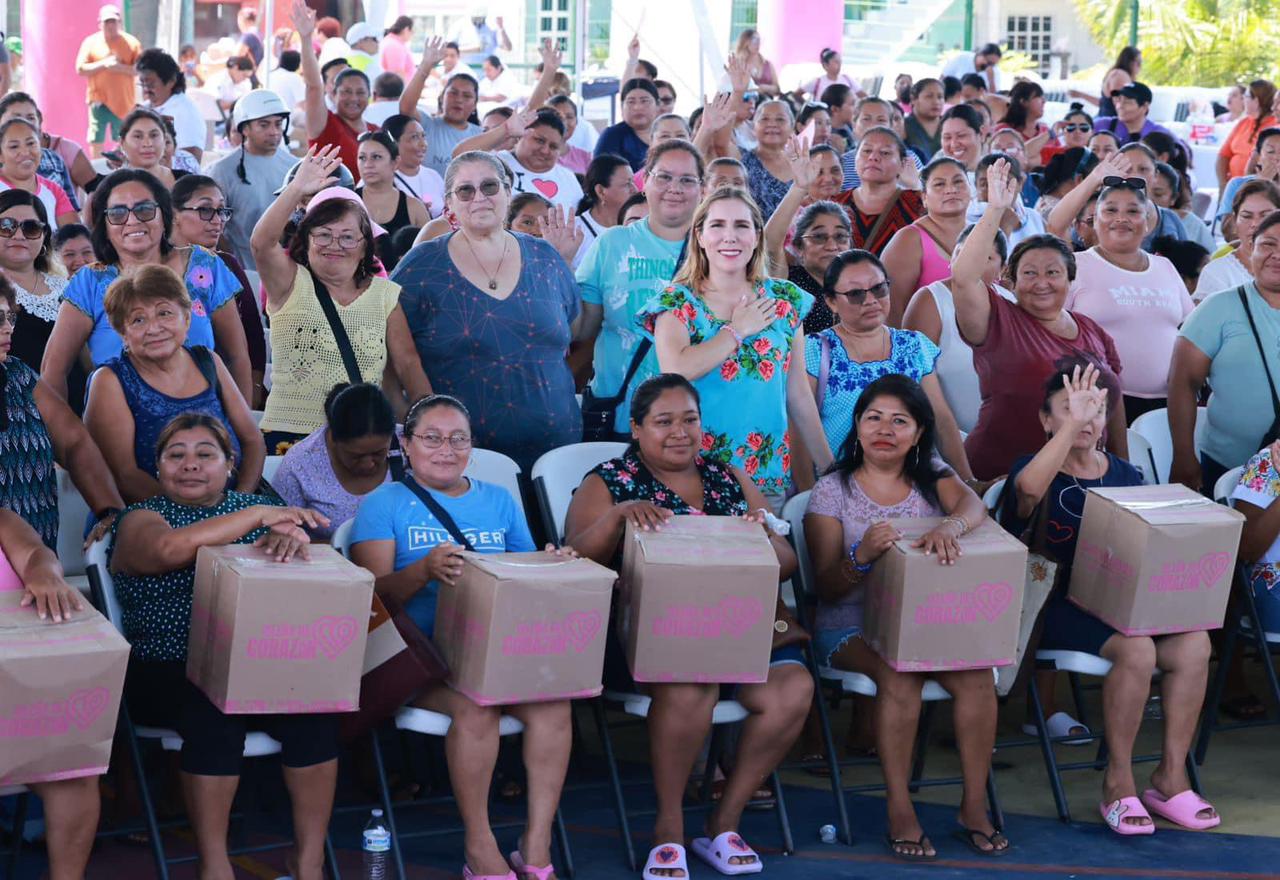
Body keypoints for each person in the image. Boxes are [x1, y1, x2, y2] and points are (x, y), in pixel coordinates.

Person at [565, 373, 811, 878]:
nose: (679, 432)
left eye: (689, 419)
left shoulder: (728, 476)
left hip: (740, 625)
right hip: (653, 633)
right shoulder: (608, 480)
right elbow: (574, 561)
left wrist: (757, 537)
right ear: (635, 428)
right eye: (663, 421)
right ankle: (670, 826)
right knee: (692, 684)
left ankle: (725, 819)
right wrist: (616, 519)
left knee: (794, 687)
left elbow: (785, 562)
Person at [109, 414, 338, 880]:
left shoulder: (260, 515)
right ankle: (214, 864)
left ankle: (309, 861)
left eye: (205, 454)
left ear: (230, 464)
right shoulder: (141, 518)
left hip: (256, 661)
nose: (190, 464)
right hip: (167, 666)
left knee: (315, 709)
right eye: (176, 455)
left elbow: (304, 568)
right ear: (158, 467)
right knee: (214, 708)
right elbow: (165, 551)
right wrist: (257, 516)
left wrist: (288, 539)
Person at [350, 393, 569, 880]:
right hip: (424, 657)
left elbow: (526, 574)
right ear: (406, 445)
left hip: (497, 650)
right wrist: (424, 572)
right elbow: (372, 600)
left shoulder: (498, 499)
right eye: (431, 438)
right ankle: (480, 842)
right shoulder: (383, 503)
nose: (445, 449)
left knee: (556, 702)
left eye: (458, 439)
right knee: (477, 705)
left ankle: (537, 841)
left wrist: (554, 564)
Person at [1001, 360, 1219, 837]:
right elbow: (1026, 495)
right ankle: (1118, 780)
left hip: (1124, 605)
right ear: (1046, 419)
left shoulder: (1126, 473)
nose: (1087, 419)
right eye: (1072, 408)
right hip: (1054, 607)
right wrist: (1072, 429)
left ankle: (1169, 775)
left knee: (1194, 642)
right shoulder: (1032, 467)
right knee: (1137, 647)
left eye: (1097, 409)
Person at [806, 373, 1002, 861]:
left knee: (978, 675)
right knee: (899, 672)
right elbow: (825, 589)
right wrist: (862, 555)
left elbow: (974, 505)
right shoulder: (832, 491)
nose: (884, 429)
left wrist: (951, 525)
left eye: (899, 420)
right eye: (873, 418)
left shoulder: (931, 475)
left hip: (926, 621)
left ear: (918, 433)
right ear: (856, 425)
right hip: (851, 623)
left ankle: (973, 806)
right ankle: (899, 808)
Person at [638, 187, 832, 503]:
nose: (730, 236)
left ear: (757, 236)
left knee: (771, 552)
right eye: (717, 225)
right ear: (699, 236)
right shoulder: (676, 301)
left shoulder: (785, 300)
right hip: (692, 474)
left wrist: (830, 469)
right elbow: (676, 369)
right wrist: (736, 331)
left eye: (741, 226)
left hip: (766, 474)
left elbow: (798, 394)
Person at [391, 151, 582, 470]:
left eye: (490, 187)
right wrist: (420, 427)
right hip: (463, 463)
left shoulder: (547, 257)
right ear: (449, 203)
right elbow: (389, 360)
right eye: (465, 190)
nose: (479, 197)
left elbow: (574, 333)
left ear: (508, 193)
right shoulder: (421, 266)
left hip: (558, 457)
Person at [952, 159, 1126, 480]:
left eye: (1053, 273)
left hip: (1081, 482)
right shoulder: (998, 319)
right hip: (1002, 476)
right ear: (1010, 282)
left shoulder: (1092, 331)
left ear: (1069, 279)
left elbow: (1113, 406)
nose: (1042, 282)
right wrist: (995, 211)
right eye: (1029, 273)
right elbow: (963, 277)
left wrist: (1120, 471)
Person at [251, 147, 431, 451]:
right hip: (290, 437)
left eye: (348, 237)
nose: (335, 245)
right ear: (305, 239)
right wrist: (297, 188)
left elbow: (407, 366)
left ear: (364, 246)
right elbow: (260, 243)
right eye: (323, 234)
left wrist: (428, 423)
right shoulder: (290, 282)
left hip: (361, 439)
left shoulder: (384, 295)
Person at [43, 170, 253, 404]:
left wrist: (238, 429)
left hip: (202, 429)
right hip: (113, 430)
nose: (133, 220)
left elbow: (238, 357)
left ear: (164, 215)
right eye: (118, 213)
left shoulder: (205, 267)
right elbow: (53, 370)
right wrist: (68, 438)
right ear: (104, 224)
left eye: (144, 210)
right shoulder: (89, 282)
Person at [84, 265, 264, 504]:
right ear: (123, 333)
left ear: (186, 319)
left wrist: (238, 503)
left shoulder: (208, 361)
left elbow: (253, 441)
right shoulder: (110, 380)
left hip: (237, 504)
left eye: (165, 313)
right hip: (153, 518)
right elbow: (123, 475)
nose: (154, 328)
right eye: (138, 319)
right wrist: (203, 516)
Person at [806, 248, 973, 481]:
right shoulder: (814, 350)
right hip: (838, 486)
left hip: (911, 486)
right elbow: (799, 428)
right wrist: (811, 495)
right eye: (855, 293)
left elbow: (941, 420)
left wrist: (968, 482)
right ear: (832, 302)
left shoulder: (913, 346)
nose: (871, 300)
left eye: (879, 288)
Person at [0, 508, 101, 879]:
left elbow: (35, 552)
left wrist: (44, 573)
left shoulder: (2, 520)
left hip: (14, 696)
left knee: (74, 767)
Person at [576, 141, 701, 440]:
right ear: (645, 183)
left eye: (687, 179)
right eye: (664, 177)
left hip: (691, 422)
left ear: (702, 189)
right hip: (619, 412)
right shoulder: (611, 243)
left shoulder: (716, 248)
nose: (675, 188)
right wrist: (557, 265)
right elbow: (581, 329)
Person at [0, 276, 124, 549]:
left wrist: (110, 511)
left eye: (11, 316)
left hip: (40, 573)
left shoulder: (20, 377)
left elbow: (74, 443)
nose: (9, 328)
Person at [1061, 178, 1193, 422]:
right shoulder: (1074, 266)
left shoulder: (1164, 267)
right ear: (1095, 220)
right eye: (1111, 210)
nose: (1121, 218)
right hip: (1098, 404)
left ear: (1147, 223)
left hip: (1170, 403)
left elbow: (1190, 329)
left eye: (1133, 211)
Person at [1171, 211, 1280, 493]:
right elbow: (1182, 383)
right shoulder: (1218, 307)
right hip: (1227, 464)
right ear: (1250, 248)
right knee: (1239, 535)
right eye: (1268, 244)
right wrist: (1183, 456)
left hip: (1277, 467)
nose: (1276, 255)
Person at [167, 174, 268, 405]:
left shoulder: (226, 264)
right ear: (174, 214)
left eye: (221, 211)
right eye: (205, 210)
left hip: (224, 394)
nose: (217, 220)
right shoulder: (151, 263)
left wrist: (248, 403)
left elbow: (252, 340)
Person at [903, 224, 1014, 434]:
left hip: (1004, 436)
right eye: (962, 253)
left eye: (985, 258)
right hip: (945, 440)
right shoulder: (930, 299)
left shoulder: (1010, 300)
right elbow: (913, 380)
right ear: (952, 259)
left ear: (1003, 268)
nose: (971, 263)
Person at [274, 382, 399, 542]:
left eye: (379, 453)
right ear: (332, 437)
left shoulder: (414, 448)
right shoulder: (300, 463)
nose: (368, 464)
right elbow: (279, 527)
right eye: (356, 456)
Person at [0, 193, 86, 413]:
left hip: (79, 411)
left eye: (30, 228)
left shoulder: (67, 286)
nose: (18, 235)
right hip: (18, 421)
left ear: (44, 235)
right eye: (6, 226)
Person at [209, 90, 296, 271]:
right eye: (264, 125)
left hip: (289, 270)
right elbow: (214, 225)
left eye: (278, 124)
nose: (273, 132)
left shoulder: (295, 166)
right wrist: (233, 266)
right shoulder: (221, 170)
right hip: (243, 272)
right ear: (244, 128)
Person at [292, 1, 376, 182]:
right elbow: (313, 87)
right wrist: (306, 39)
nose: (353, 98)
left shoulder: (376, 132)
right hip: (330, 207)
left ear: (369, 96)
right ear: (333, 93)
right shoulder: (326, 125)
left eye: (360, 92)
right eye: (346, 91)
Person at [882, 157, 970, 326]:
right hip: (926, 348)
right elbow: (892, 312)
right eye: (939, 184)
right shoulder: (908, 239)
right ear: (924, 197)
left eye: (958, 182)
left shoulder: (979, 233)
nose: (951, 189)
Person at [454, 107, 584, 214]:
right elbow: (459, 156)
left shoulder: (569, 179)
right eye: (539, 140)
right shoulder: (497, 163)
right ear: (520, 136)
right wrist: (506, 129)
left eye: (553, 146)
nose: (545, 150)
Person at [398, 42, 483, 178]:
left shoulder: (481, 135)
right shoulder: (426, 125)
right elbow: (406, 107)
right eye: (453, 93)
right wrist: (426, 66)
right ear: (442, 97)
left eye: (467, 96)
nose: (459, 99)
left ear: (474, 105)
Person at [0, 92, 91, 212]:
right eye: (16, 118)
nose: (23, 123)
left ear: (39, 122)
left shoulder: (54, 160)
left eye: (30, 118)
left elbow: (71, 212)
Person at [75, 4, 142, 158]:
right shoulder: (90, 42)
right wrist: (104, 64)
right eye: (107, 22)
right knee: (96, 138)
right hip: (99, 100)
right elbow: (80, 68)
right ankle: (97, 172)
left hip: (124, 101)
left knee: (123, 138)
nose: (111, 26)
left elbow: (139, 69)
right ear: (100, 24)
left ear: (120, 22)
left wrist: (118, 67)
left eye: (114, 22)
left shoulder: (132, 43)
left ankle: (122, 169)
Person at [1196, 179, 1280, 301]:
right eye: (1247, 216)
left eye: (1265, 215)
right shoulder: (1217, 273)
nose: (1255, 224)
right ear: (1235, 221)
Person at [356, 130, 429, 269]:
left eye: (376, 157)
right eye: (362, 158)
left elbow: (430, 255)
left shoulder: (414, 207)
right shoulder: (347, 202)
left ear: (395, 162)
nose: (368, 164)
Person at [0, 118, 77, 230]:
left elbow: (74, 237)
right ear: (0, 155)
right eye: (14, 147)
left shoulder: (54, 190)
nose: (25, 152)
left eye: (31, 143)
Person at [135, 48, 206, 161]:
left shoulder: (186, 112)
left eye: (150, 84)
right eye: (142, 84)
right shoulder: (143, 108)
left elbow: (191, 160)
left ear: (171, 81)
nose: (145, 89)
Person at [967, 153, 1046, 249]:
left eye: (1003, 183)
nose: (994, 191)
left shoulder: (1033, 217)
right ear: (975, 185)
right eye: (985, 184)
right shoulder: (967, 220)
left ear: (1020, 184)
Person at [1218, 80, 1280, 193]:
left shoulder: (1274, 131)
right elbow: (1223, 155)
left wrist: (1254, 186)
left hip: (1264, 190)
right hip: (1240, 186)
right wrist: (1223, 186)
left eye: (1245, 97)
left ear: (1256, 100)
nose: (1273, 108)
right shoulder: (1244, 122)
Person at [574, 153, 636, 262]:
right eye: (627, 184)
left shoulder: (639, 226)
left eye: (633, 182)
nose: (635, 190)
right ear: (601, 191)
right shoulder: (574, 231)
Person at [383, 113, 446, 218]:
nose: (423, 144)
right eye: (414, 137)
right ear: (393, 142)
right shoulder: (380, 178)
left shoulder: (433, 176)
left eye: (423, 136)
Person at [596, 78, 659, 171]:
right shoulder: (612, 135)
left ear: (657, 104)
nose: (638, 107)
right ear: (622, 107)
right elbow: (600, 172)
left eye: (644, 101)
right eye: (631, 102)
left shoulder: (668, 132)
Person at [1151, 161, 1215, 252]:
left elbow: (1210, 261)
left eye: (1158, 194)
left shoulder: (1192, 224)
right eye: (1142, 192)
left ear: (1173, 198)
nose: (1148, 200)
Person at [1094, 83, 1177, 147]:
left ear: (1144, 106)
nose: (1120, 106)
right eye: (1118, 100)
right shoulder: (1103, 125)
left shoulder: (1159, 134)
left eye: (1127, 102)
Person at [996, 81, 1053, 164]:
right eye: (1038, 97)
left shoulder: (1045, 130)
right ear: (1023, 102)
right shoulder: (1002, 131)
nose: (1044, 101)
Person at [1035, 147, 1099, 221]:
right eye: (1095, 181)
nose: (1097, 188)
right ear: (1079, 179)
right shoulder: (1059, 214)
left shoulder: (1048, 201)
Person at [939, 104, 984, 173]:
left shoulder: (999, 173)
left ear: (981, 134)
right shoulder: (931, 178)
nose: (954, 144)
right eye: (947, 137)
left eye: (961, 135)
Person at [380, 16, 417, 81]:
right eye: (412, 31)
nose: (413, 34)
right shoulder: (394, 46)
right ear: (406, 29)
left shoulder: (393, 42)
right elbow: (397, 75)